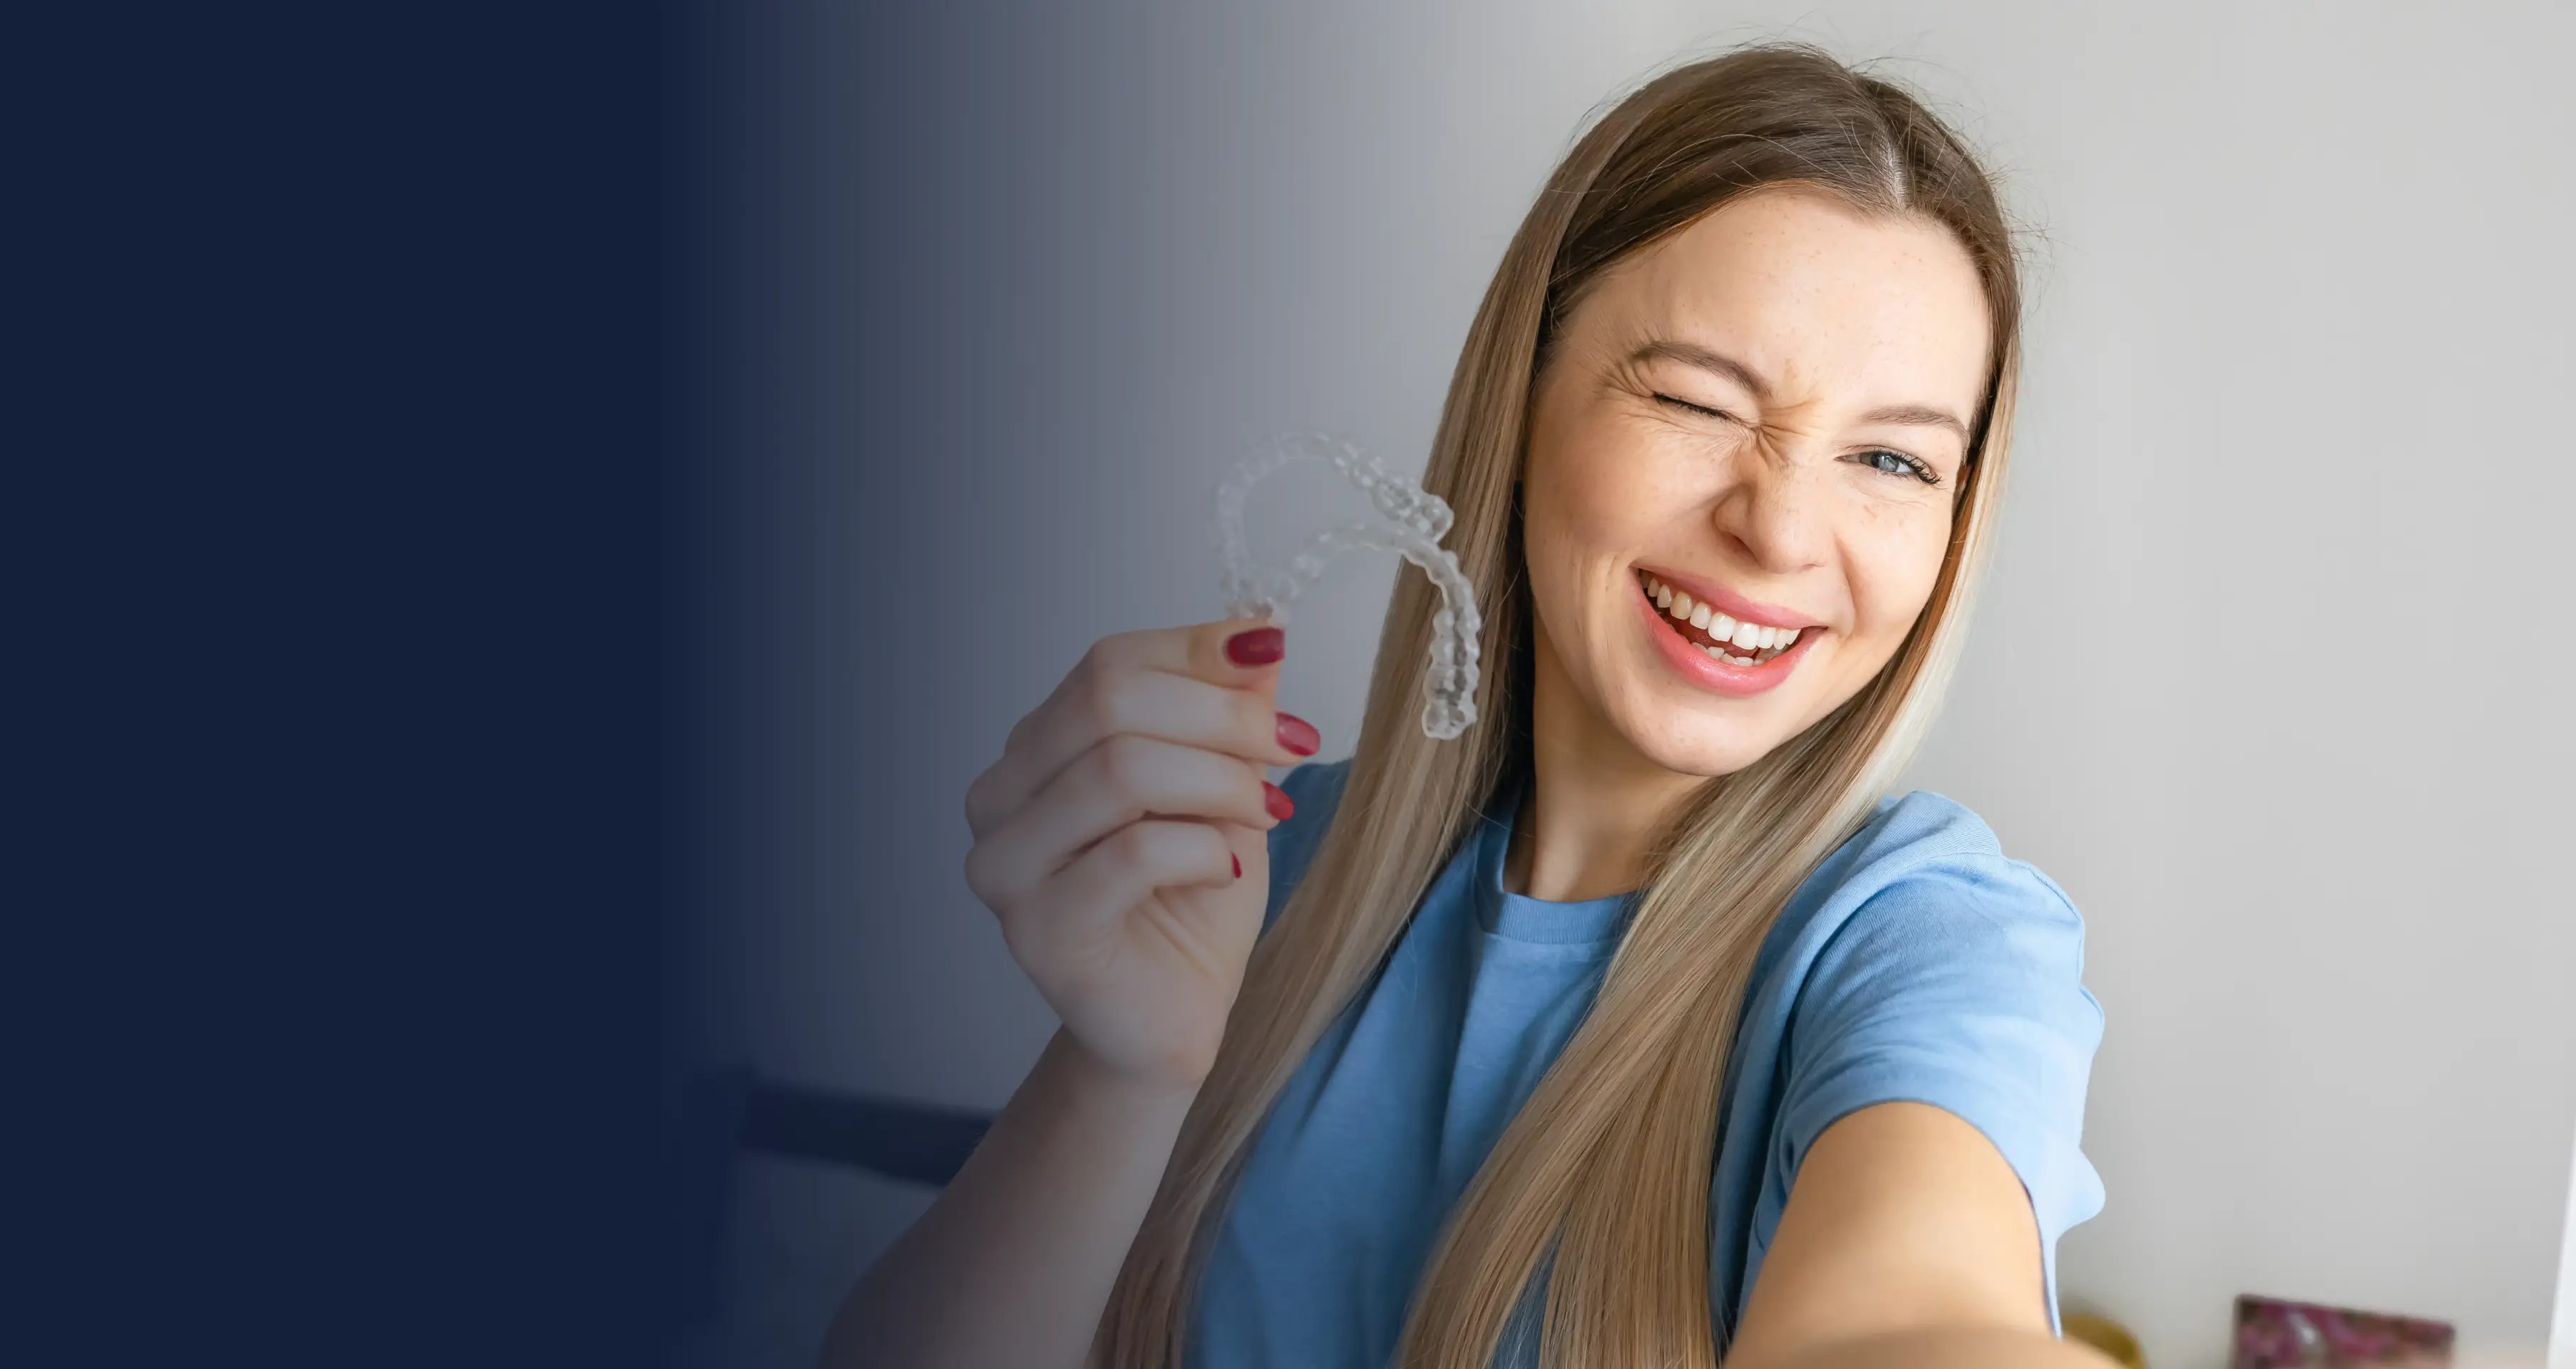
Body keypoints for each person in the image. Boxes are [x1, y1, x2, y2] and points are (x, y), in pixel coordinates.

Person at [824, 43, 2107, 1369]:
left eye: (1892, 459)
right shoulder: (1254, 859)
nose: (1780, 529)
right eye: (1692, 400)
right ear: (1525, 394)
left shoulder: (1925, 937)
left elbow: (1915, 1318)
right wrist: (1123, 1071)